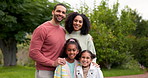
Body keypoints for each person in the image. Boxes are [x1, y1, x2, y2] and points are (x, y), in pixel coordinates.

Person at [29, 3, 67, 78]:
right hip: (45, 71)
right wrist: (52, 63)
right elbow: (33, 52)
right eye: (58, 11)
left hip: (59, 70)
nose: (60, 14)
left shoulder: (63, 31)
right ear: (53, 12)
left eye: (63, 13)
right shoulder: (42, 29)